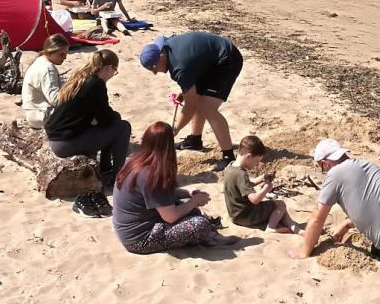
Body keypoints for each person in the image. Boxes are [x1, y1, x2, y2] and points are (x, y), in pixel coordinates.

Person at [112, 122, 237, 253]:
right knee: (199, 224)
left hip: (128, 230)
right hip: (140, 239)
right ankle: (209, 236)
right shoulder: (153, 175)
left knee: (187, 208)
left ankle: (210, 235)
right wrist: (194, 201)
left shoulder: (135, 162)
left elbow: (157, 196)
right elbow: (170, 217)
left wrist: (187, 193)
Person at [139, 32, 242, 169]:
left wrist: (174, 130)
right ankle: (195, 140)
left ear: (161, 56)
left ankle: (228, 156)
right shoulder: (164, 45)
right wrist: (186, 92)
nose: (154, 72)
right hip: (210, 60)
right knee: (198, 96)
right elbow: (192, 72)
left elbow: (190, 106)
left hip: (226, 58)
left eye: (153, 67)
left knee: (208, 108)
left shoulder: (180, 68)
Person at [46, 49, 132, 195]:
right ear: (108, 68)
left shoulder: (79, 78)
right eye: (114, 71)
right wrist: (107, 118)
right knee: (122, 127)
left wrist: (98, 120)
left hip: (55, 137)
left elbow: (98, 115)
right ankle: (120, 177)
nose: (112, 75)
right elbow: (105, 119)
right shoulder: (96, 85)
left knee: (113, 124)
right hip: (65, 143)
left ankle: (105, 169)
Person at [223, 135, 300, 233]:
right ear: (248, 156)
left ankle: (294, 228)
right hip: (246, 215)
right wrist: (267, 188)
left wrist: (262, 178)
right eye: (256, 161)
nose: (257, 165)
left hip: (235, 214)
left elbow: (246, 185)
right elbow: (255, 199)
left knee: (276, 207)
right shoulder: (241, 174)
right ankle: (271, 228)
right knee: (280, 205)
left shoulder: (230, 167)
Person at [22, 34, 69, 128]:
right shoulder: (47, 69)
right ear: (49, 52)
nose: (65, 57)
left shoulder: (40, 61)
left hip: (33, 113)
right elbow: (55, 99)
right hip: (42, 115)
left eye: (66, 54)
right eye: (61, 54)